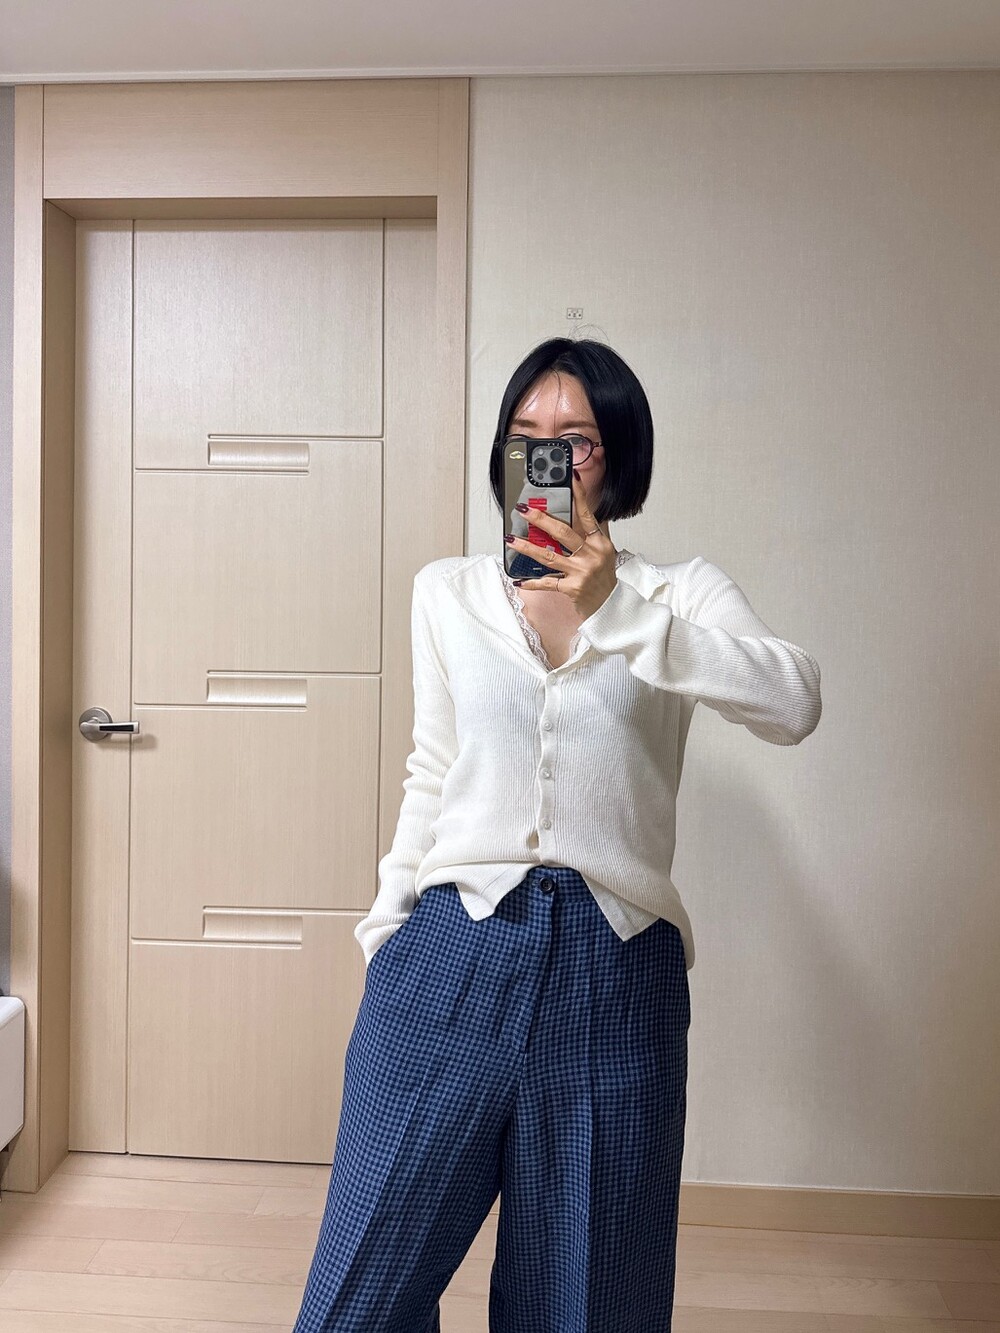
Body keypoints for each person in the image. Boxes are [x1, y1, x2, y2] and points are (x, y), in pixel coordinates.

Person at [293, 337, 822, 1333]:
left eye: (574, 439)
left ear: (616, 456)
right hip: (451, 947)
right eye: (525, 436)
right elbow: (432, 769)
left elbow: (794, 701)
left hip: (615, 970)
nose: (547, 458)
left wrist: (617, 610)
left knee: (585, 1306)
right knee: (357, 1301)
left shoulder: (675, 594)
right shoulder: (447, 592)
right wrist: (386, 933)